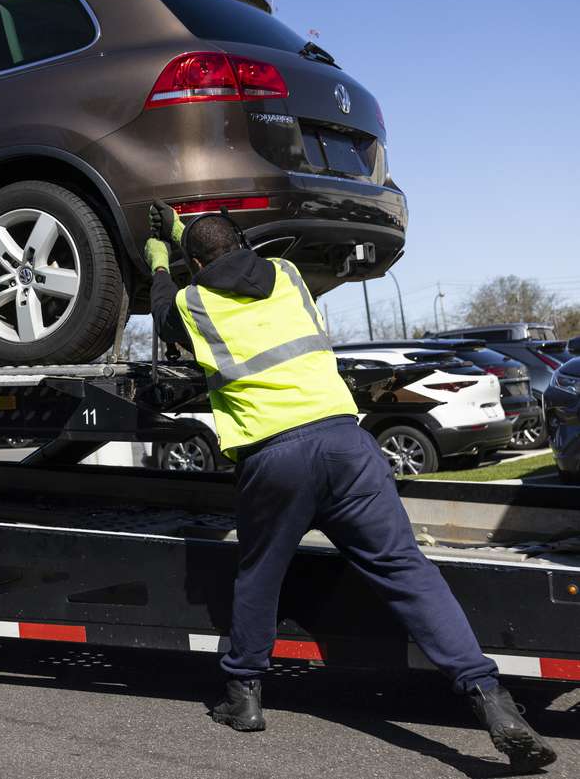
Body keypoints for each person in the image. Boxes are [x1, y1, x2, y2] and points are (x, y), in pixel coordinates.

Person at [144, 202, 556, 772]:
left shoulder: (192, 303)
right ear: (240, 243)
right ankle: (492, 700)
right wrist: (191, 230)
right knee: (406, 571)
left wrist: (161, 259)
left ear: (195, 262)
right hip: (347, 447)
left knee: (260, 575)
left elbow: (165, 309)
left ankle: (244, 697)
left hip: (276, 458)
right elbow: (239, 258)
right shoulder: (287, 277)